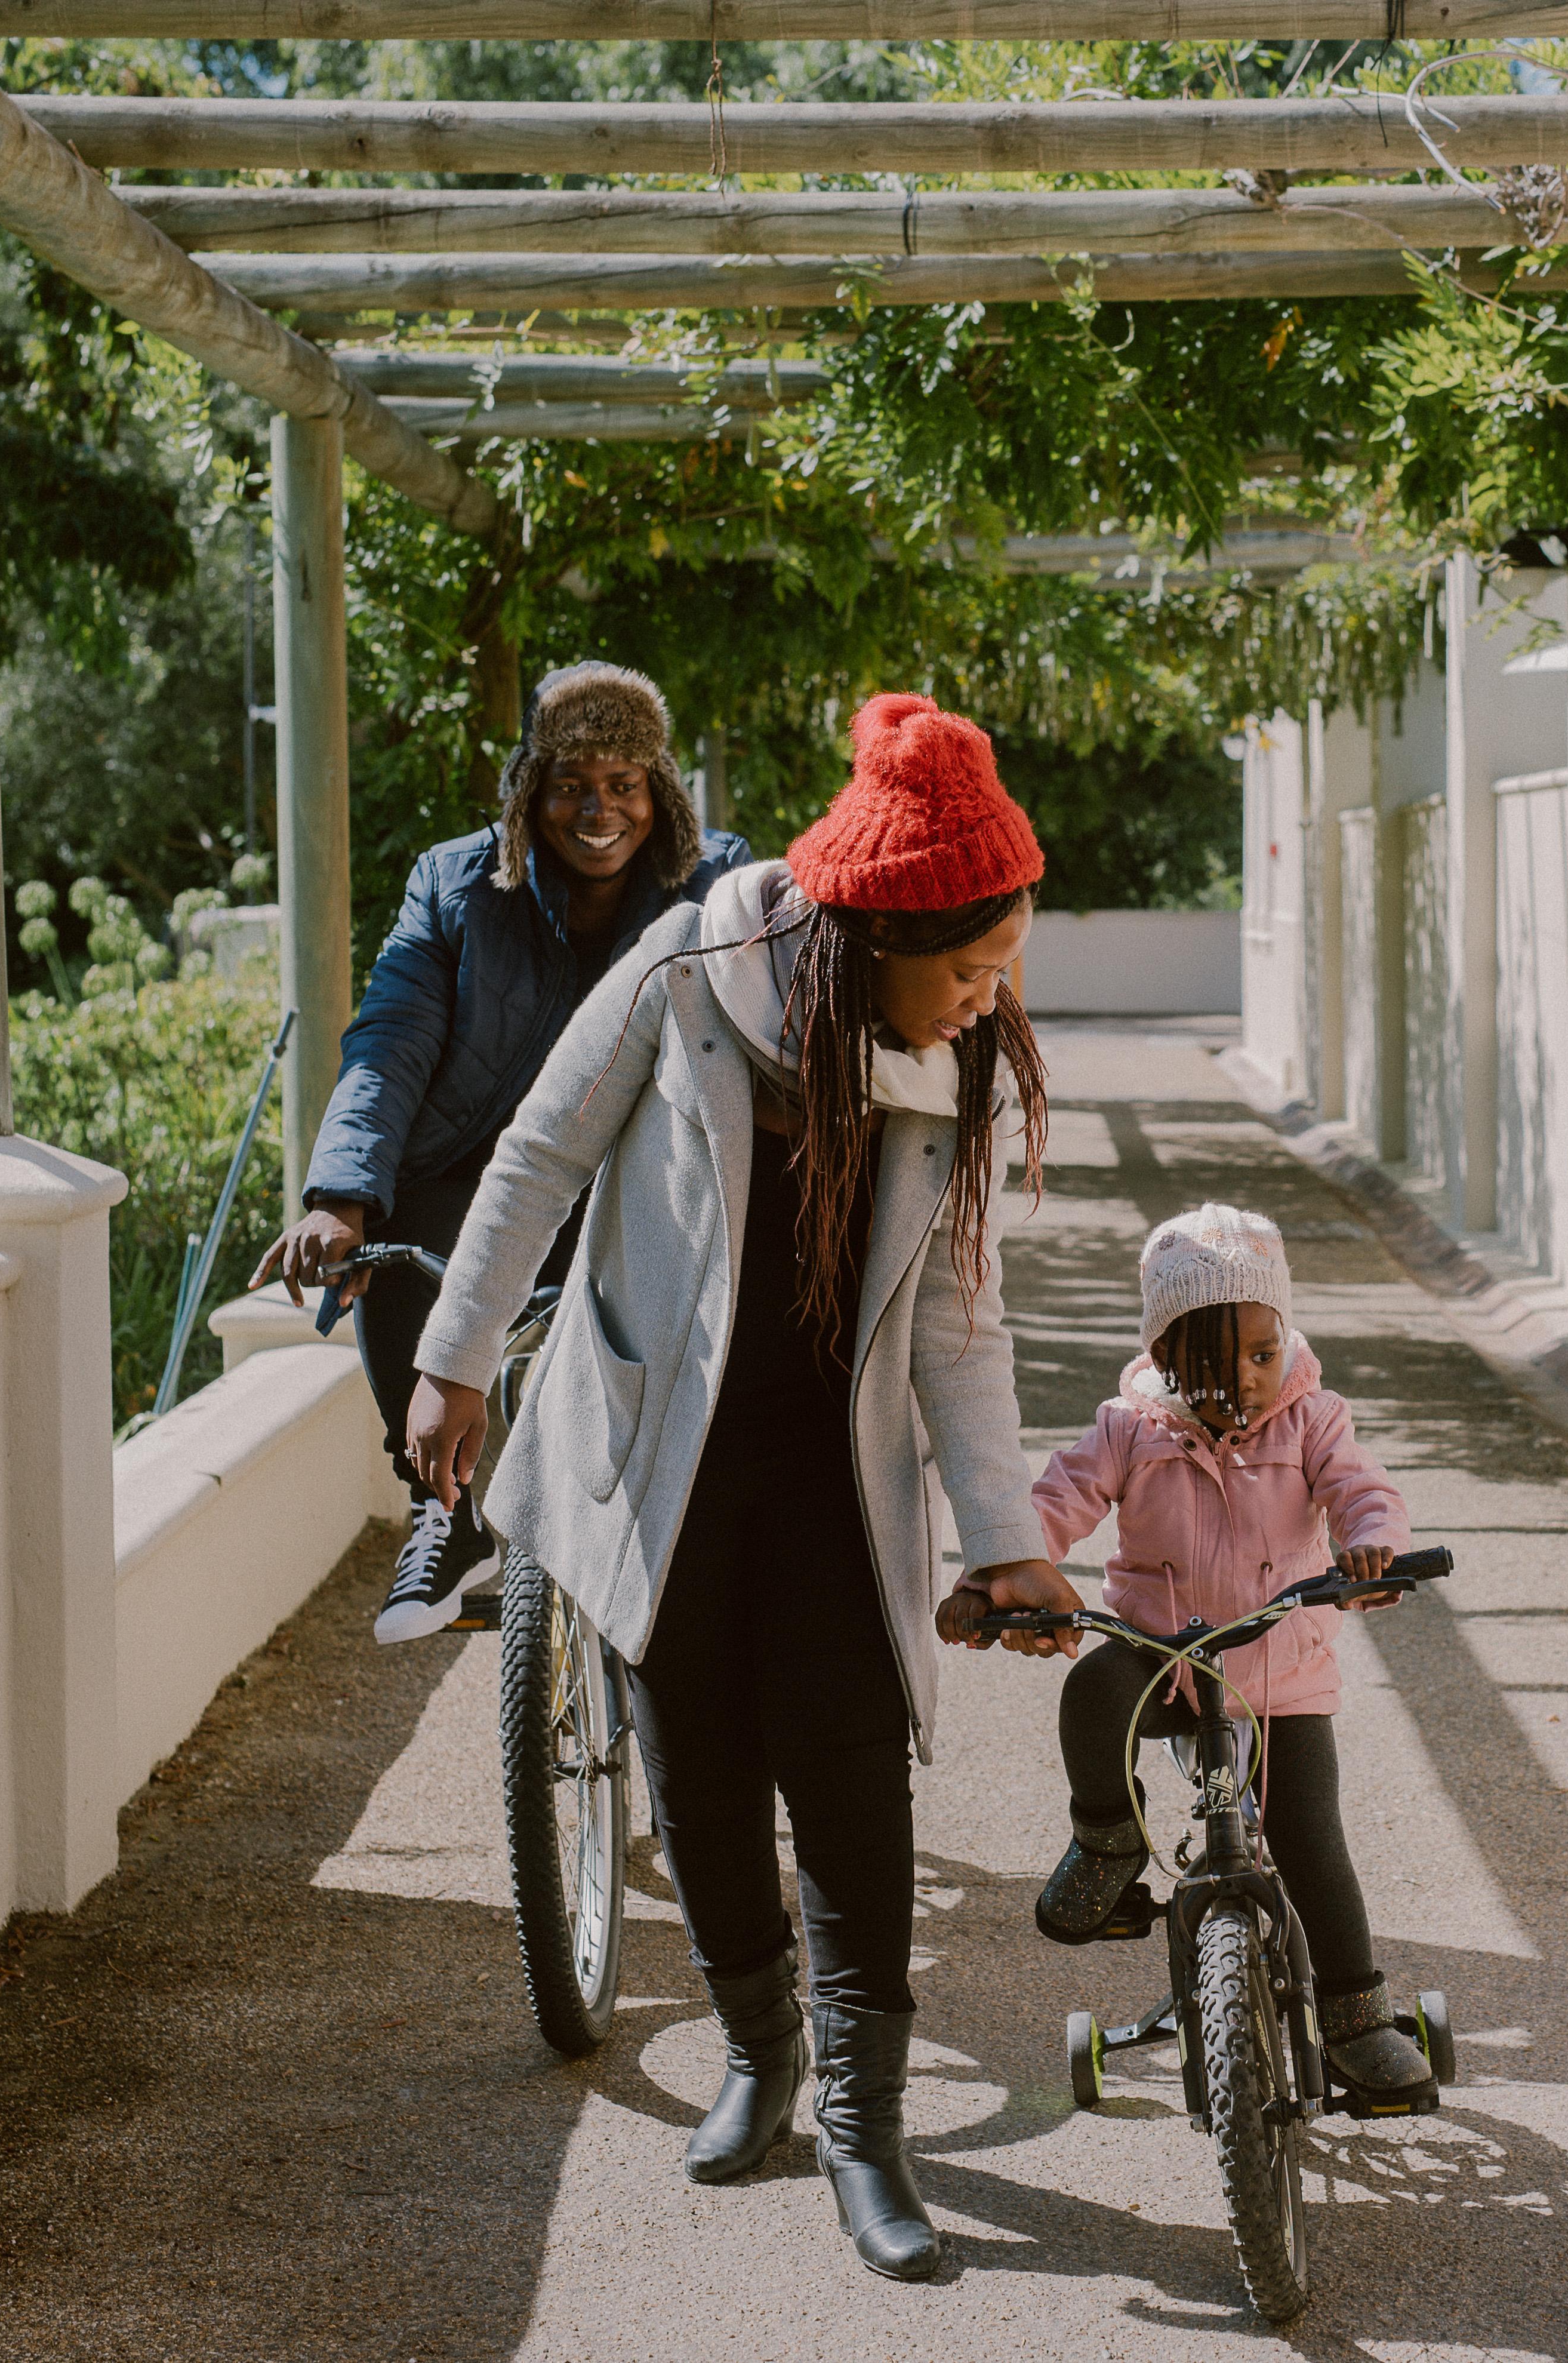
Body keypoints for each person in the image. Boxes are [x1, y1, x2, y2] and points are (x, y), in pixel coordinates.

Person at [404, 691, 1082, 2282]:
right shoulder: (695, 967)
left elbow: (961, 1321)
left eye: (1006, 964)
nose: (990, 998)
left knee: (852, 1792)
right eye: (971, 964)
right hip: (660, 1452)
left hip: (836, 1479)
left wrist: (1006, 1543)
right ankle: (760, 2052)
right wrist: (451, 1355)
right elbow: (538, 1152)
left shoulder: (953, 1068)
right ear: (873, 936)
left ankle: (866, 2122)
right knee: (697, 1775)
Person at [252, 661, 749, 1644]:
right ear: (530, 789)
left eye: (624, 783)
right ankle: (443, 1513)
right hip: (471, 1174)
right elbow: (389, 1038)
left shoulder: (716, 883)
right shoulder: (457, 883)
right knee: (399, 1240)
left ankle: (674, 1526)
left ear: (661, 793)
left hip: (632, 1173)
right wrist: (341, 1195)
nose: (598, 809)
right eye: (571, 783)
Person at [991, 1202, 1438, 2104]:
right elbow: (1056, 1499)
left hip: (1279, 1674)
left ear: (1284, 1339)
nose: (1245, 1378)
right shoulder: (1128, 1429)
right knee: (1091, 1690)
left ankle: (1354, 2015)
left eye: (1262, 1354)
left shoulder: (1312, 1420)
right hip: (1163, 1657)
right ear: (1162, 1357)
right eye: (1212, 1361)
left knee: (1312, 1841)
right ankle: (1107, 1840)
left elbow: (1361, 1492)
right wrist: (1011, 1571)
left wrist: (1370, 1548)